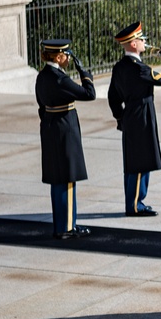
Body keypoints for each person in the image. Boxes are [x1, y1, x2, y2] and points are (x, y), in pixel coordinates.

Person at [108, 22, 161, 217]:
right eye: (141, 40)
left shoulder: (119, 67)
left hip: (130, 115)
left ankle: (134, 201)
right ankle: (136, 205)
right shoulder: (139, 68)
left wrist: (121, 118)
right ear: (134, 44)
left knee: (133, 163)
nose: (144, 42)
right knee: (140, 162)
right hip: (141, 117)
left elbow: (113, 97)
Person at [35, 39, 97, 239]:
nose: (69, 58)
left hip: (50, 127)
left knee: (57, 179)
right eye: (67, 55)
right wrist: (85, 75)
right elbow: (89, 94)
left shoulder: (42, 76)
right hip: (65, 129)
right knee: (68, 179)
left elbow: (41, 105)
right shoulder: (60, 79)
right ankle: (67, 228)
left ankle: (62, 225)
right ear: (59, 56)